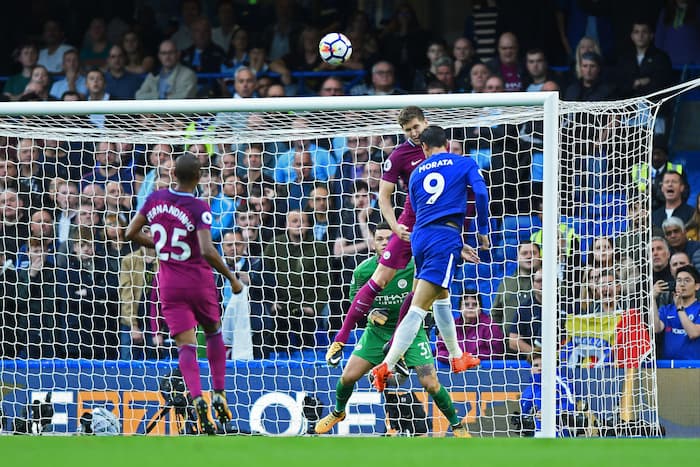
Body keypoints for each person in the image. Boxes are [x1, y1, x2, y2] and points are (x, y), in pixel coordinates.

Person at [125, 153, 244, 435]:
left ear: (173, 174)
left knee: (185, 347)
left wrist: (158, 242)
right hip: (197, 279)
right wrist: (232, 278)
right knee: (214, 333)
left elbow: (129, 232)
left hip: (168, 282)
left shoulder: (155, 199)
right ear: (199, 177)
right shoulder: (198, 206)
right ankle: (218, 391)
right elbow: (205, 249)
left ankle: (196, 396)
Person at [315, 223, 470, 438]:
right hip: (377, 333)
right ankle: (338, 412)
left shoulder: (415, 265)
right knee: (347, 377)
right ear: (373, 243)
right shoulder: (364, 271)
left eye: (389, 238)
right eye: (379, 239)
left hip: (412, 331)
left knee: (430, 383)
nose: (385, 243)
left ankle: (457, 425)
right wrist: (370, 314)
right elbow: (354, 303)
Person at [370, 125, 489, 390]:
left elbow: (426, 212)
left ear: (424, 148)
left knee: (441, 295)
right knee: (418, 308)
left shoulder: (415, 174)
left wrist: (454, 246)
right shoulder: (464, 162)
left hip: (421, 239)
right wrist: (481, 231)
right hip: (442, 239)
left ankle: (457, 356)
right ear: (446, 143)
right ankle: (386, 366)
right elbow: (481, 193)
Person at [325, 106, 430, 365]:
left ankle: (396, 348)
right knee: (379, 278)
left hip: (434, 225)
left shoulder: (441, 145)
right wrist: (394, 226)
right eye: (408, 130)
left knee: (422, 290)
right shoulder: (399, 155)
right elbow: (383, 197)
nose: (414, 133)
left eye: (416, 127)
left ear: (425, 122)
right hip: (408, 221)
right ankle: (341, 338)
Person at [436, 289, 505, 363]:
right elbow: (439, 352)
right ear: (460, 308)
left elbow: (496, 353)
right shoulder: (452, 326)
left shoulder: (490, 326)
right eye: (466, 304)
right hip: (455, 368)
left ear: (480, 308)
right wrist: (455, 357)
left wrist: (469, 358)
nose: (470, 307)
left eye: (475, 304)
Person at [653, 264, 700, 359]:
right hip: (668, 367)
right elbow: (656, 328)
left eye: (687, 280)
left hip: (693, 367)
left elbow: (693, 333)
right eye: (679, 280)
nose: (682, 284)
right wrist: (653, 298)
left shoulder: (698, 308)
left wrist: (679, 308)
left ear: (697, 286)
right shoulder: (667, 309)